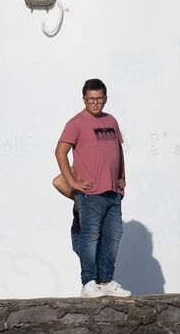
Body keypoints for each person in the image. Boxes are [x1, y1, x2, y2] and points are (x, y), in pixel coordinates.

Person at [55, 78, 131, 298]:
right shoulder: (76, 123)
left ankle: (106, 280)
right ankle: (88, 282)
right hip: (90, 193)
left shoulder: (112, 121)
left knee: (114, 235)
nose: (95, 103)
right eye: (91, 99)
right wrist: (74, 182)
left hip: (113, 192)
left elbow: (118, 150)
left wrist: (122, 175)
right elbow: (60, 152)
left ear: (105, 98)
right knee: (90, 237)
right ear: (84, 99)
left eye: (99, 99)